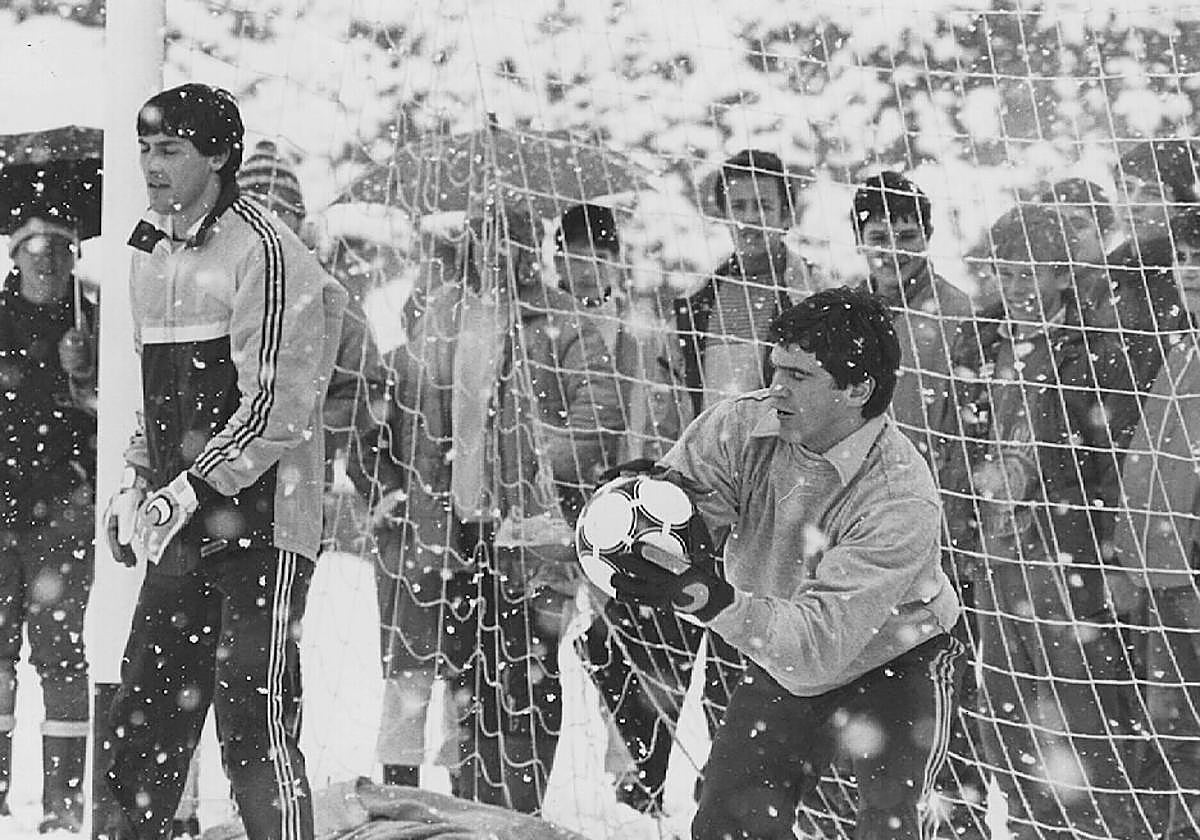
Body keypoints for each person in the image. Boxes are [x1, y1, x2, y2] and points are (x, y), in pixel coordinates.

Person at [606, 285, 964, 839]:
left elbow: (817, 649)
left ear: (857, 388)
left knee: (891, 825)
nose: (776, 389)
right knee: (727, 823)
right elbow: (694, 508)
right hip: (783, 654)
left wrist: (708, 596)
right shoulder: (738, 427)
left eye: (799, 376)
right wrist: (647, 508)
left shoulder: (899, 497)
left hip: (897, 657)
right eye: (776, 368)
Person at [102, 83, 347, 840]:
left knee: (254, 727)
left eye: (170, 150)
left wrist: (192, 487)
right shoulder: (148, 251)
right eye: (145, 149)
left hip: (263, 527)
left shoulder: (267, 250)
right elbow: (157, 398)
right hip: (184, 522)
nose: (152, 165)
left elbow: (276, 408)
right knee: (139, 734)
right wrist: (136, 480)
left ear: (218, 156)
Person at [360, 203, 622, 814]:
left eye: (515, 240)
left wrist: (531, 466)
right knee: (461, 675)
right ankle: (468, 809)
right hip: (449, 531)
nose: (500, 253)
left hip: (530, 532)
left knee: (529, 671)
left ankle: (519, 811)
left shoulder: (558, 320)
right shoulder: (435, 317)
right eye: (486, 240)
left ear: (534, 251)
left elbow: (600, 414)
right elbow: (397, 412)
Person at [940, 204, 1151, 840]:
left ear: (1063, 276)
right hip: (988, 558)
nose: (1022, 287)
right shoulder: (976, 345)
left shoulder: (1096, 352)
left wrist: (1107, 555)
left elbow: (1110, 467)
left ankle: (1102, 830)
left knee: (1082, 721)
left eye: (1037, 273)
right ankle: (1033, 827)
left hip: (1060, 559)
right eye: (1008, 272)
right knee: (1001, 720)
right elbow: (952, 444)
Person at [0, 205, 96, 833]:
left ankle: (63, 807)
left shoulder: (95, 324)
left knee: (61, 657)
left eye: (58, 249)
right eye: (33, 248)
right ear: (13, 257)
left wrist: (85, 375)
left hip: (64, 514)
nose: (45, 260)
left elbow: (124, 413)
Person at [1111, 206, 1200, 838]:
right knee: (1170, 738)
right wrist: (1127, 558)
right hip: (1160, 582)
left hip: (1188, 583)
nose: (1191, 272)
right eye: (1187, 258)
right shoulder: (1181, 350)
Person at [851, 171, 972, 464]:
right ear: (859, 241)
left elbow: (967, 415)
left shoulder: (956, 311)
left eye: (906, 237)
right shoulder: (846, 312)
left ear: (927, 237)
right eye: (879, 238)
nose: (894, 251)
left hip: (930, 476)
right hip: (857, 477)